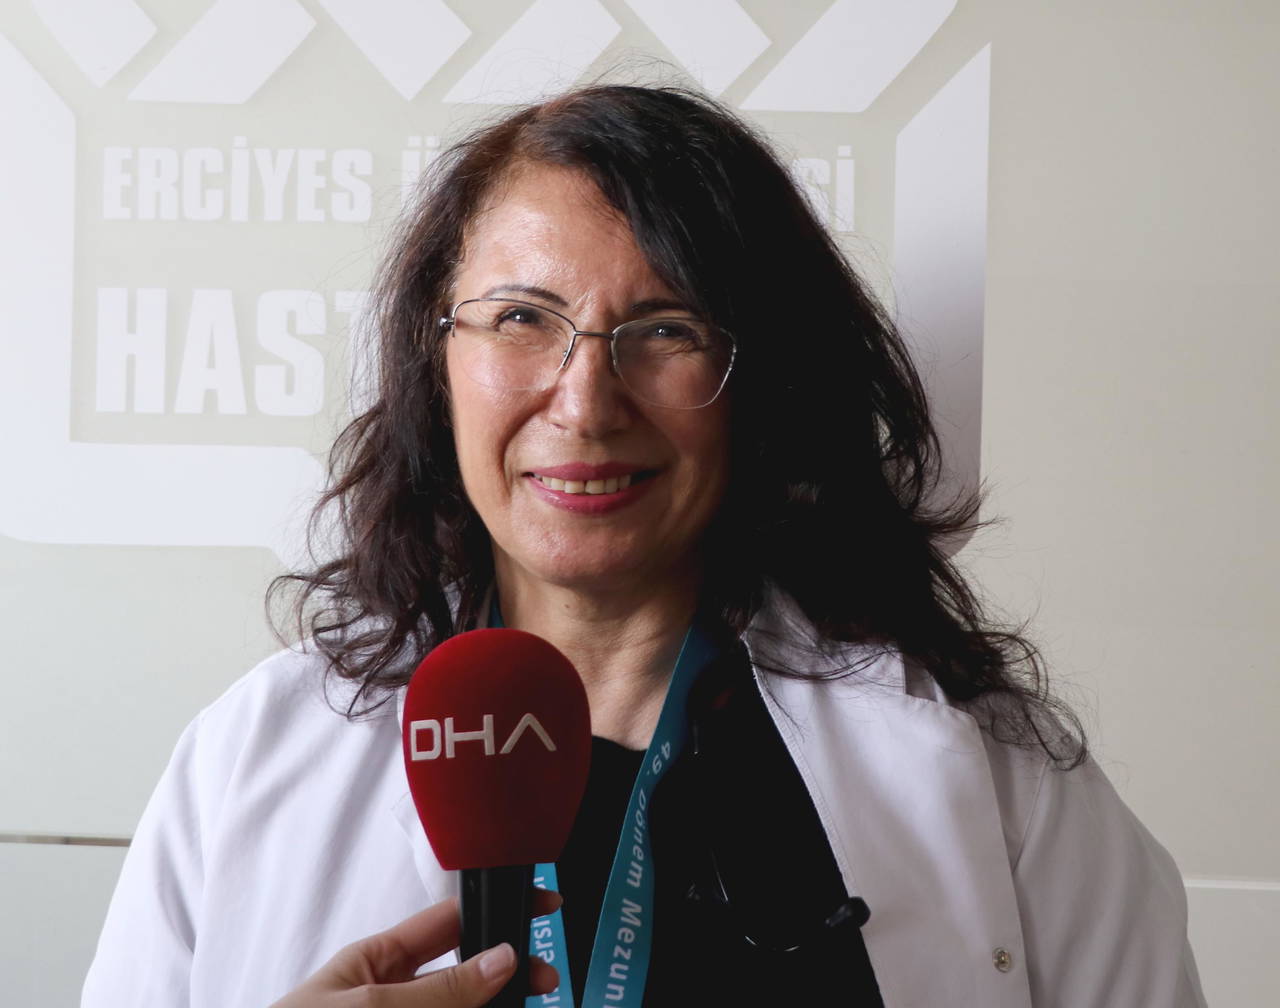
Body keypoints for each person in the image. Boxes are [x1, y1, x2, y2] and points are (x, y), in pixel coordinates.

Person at [83, 84, 1206, 1007]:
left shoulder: (992, 779)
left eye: (664, 329)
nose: (584, 402)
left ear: (763, 381)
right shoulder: (249, 760)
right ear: (438, 359)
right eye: (521, 318)